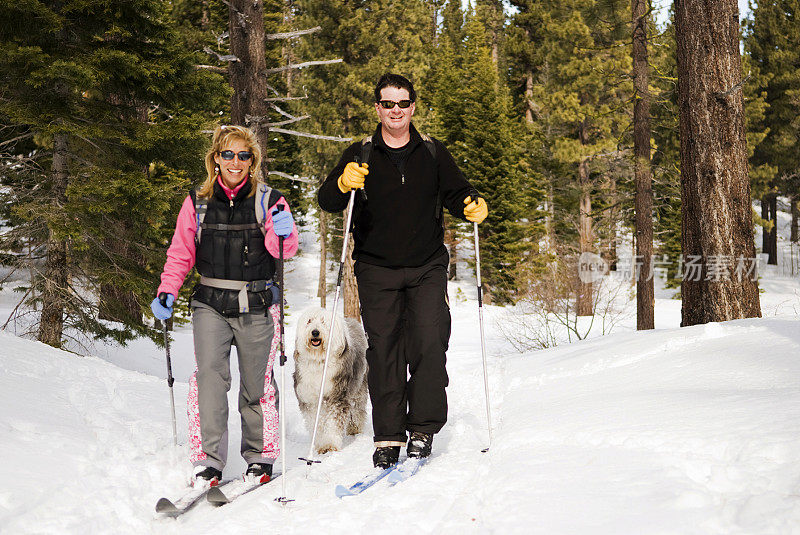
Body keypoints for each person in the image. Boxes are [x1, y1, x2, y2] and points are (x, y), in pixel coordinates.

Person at [317, 73, 488, 468]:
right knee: (385, 351)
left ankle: (423, 428)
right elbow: (327, 200)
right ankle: (389, 435)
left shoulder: (431, 152)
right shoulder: (359, 153)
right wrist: (343, 182)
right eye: (388, 103)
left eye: (403, 103)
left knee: (429, 341)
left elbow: (457, 191)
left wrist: (470, 203)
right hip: (376, 268)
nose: (396, 111)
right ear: (377, 108)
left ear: (413, 107)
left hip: (427, 265)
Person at [151, 125, 298, 486]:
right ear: (216, 158)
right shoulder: (197, 202)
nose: (236, 162)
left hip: (257, 303)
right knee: (209, 381)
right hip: (210, 304)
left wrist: (283, 229)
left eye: (243, 155)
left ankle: (260, 457)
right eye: (228, 154)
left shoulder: (269, 199)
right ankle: (208, 461)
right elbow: (181, 253)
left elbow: (287, 250)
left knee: (257, 385)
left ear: (252, 160)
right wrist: (167, 290)